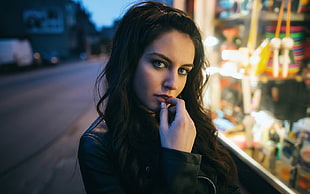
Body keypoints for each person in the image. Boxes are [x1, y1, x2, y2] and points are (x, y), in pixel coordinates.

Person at [78, 1, 241, 193]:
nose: (172, 83)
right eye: (159, 63)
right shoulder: (98, 145)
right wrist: (178, 160)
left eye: (183, 70)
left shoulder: (191, 122)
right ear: (129, 62)